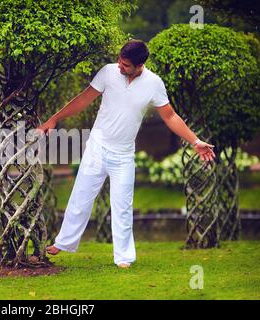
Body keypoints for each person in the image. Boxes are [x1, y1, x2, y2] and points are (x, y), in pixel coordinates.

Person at [38, 40, 215, 269]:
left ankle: (123, 257)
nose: (120, 67)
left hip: (123, 156)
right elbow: (83, 99)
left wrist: (195, 140)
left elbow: (170, 116)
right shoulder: (108, 73)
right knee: (80, 197)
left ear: (140, 65)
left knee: (122, 206)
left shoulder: (154, 84)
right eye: (120, 61)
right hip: (97, 147)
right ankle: (63, 243)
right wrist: (55, 118)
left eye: (125, 65)